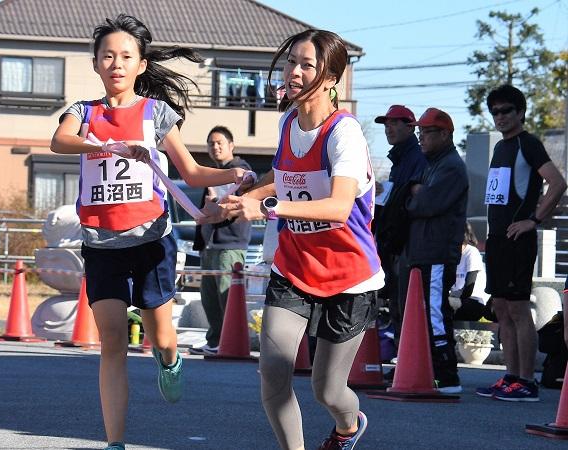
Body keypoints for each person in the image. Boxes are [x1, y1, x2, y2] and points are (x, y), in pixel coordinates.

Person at [50, 14, 248, 450]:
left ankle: (171, 360)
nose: (116, 64)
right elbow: (59, 142)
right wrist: (105, 145)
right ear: (96, 64)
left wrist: (230, 172)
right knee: (113, 343)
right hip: (102, 243)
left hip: (151, 241)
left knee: (162, 336)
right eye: (107, 56)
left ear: (141, 65)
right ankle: (115, 442)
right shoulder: (82, 113)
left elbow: (192, 173)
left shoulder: (156, 113)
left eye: (126, 56)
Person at [214, 29, 384, 450]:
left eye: (307, 64)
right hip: (293, 269)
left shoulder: (344, 134)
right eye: (292, 61)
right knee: (272, 375)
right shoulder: (287, 121)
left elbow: (338, 206)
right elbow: (283, 178)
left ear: (331, 79)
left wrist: (268, 208)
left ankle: (347, 426)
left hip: (349, 278)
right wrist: (242, 199)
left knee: (328, 390)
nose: (294, 71)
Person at [476, 84, 567, 402]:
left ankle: (527, 381)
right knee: (500, 307)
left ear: (520, 113)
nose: (500, 117)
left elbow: (557, 182)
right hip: (498, 239)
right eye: (495, 112)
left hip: (519, 239)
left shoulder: (528, 144)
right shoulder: (501, 148)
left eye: (506, 111)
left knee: (517, 307)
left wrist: (534, 220)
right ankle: (511, 377)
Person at [405, 108, 468, 394]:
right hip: (425, 250)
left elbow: (423, 204)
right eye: (419, 133)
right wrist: (416, 193)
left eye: (426, 133)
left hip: (438, 251)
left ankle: (446, 375)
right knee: (426, 311)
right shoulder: (434, 163)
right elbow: (414, 198)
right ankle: (430, 370)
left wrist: (418, 194)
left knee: (434, 312)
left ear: (445, 134)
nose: (421, 139)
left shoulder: (451, 166)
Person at [372, 104, 427, 374]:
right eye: (386, 124)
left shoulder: (416, 157)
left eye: (395, 123)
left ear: (411, 127)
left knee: (408, 307)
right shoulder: (400, 159)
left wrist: (390, 195)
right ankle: (404, 363)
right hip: (396, 244)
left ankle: (414, 366)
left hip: (410, 244)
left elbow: (413, 201)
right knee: (397, 306)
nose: (389, 129)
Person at [190, 126, 252, 355]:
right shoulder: (215, 172)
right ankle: (215, 342)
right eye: (211, 143)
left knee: (227, 297)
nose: (215, 147)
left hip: (229, 245)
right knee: (209, 298)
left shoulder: (240, 171)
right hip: (209, 244)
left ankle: (231, 343)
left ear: (231, 146)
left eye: (219, 143)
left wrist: (217, 203)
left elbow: (237, 203)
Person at [449, 222, 488, 321]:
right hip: (456, 298)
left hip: (473, 301)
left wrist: (454, 296)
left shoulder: (472, 252)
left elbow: (469, 288)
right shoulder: (451, 255)